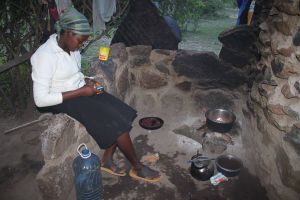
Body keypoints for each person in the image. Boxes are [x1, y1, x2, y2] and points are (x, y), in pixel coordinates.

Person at [30, 6, 160, 183]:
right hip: (61, 100)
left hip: (79, 90)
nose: (81, 45)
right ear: (67, 33)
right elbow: (40, 99)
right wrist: (82, 91)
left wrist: (87, 80)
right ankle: (138, 167)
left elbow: (73, 74)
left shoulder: (71, 48)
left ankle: (106, 160)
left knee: (123, 112)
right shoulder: (44, 56)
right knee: (116, 124)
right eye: (80, 41)